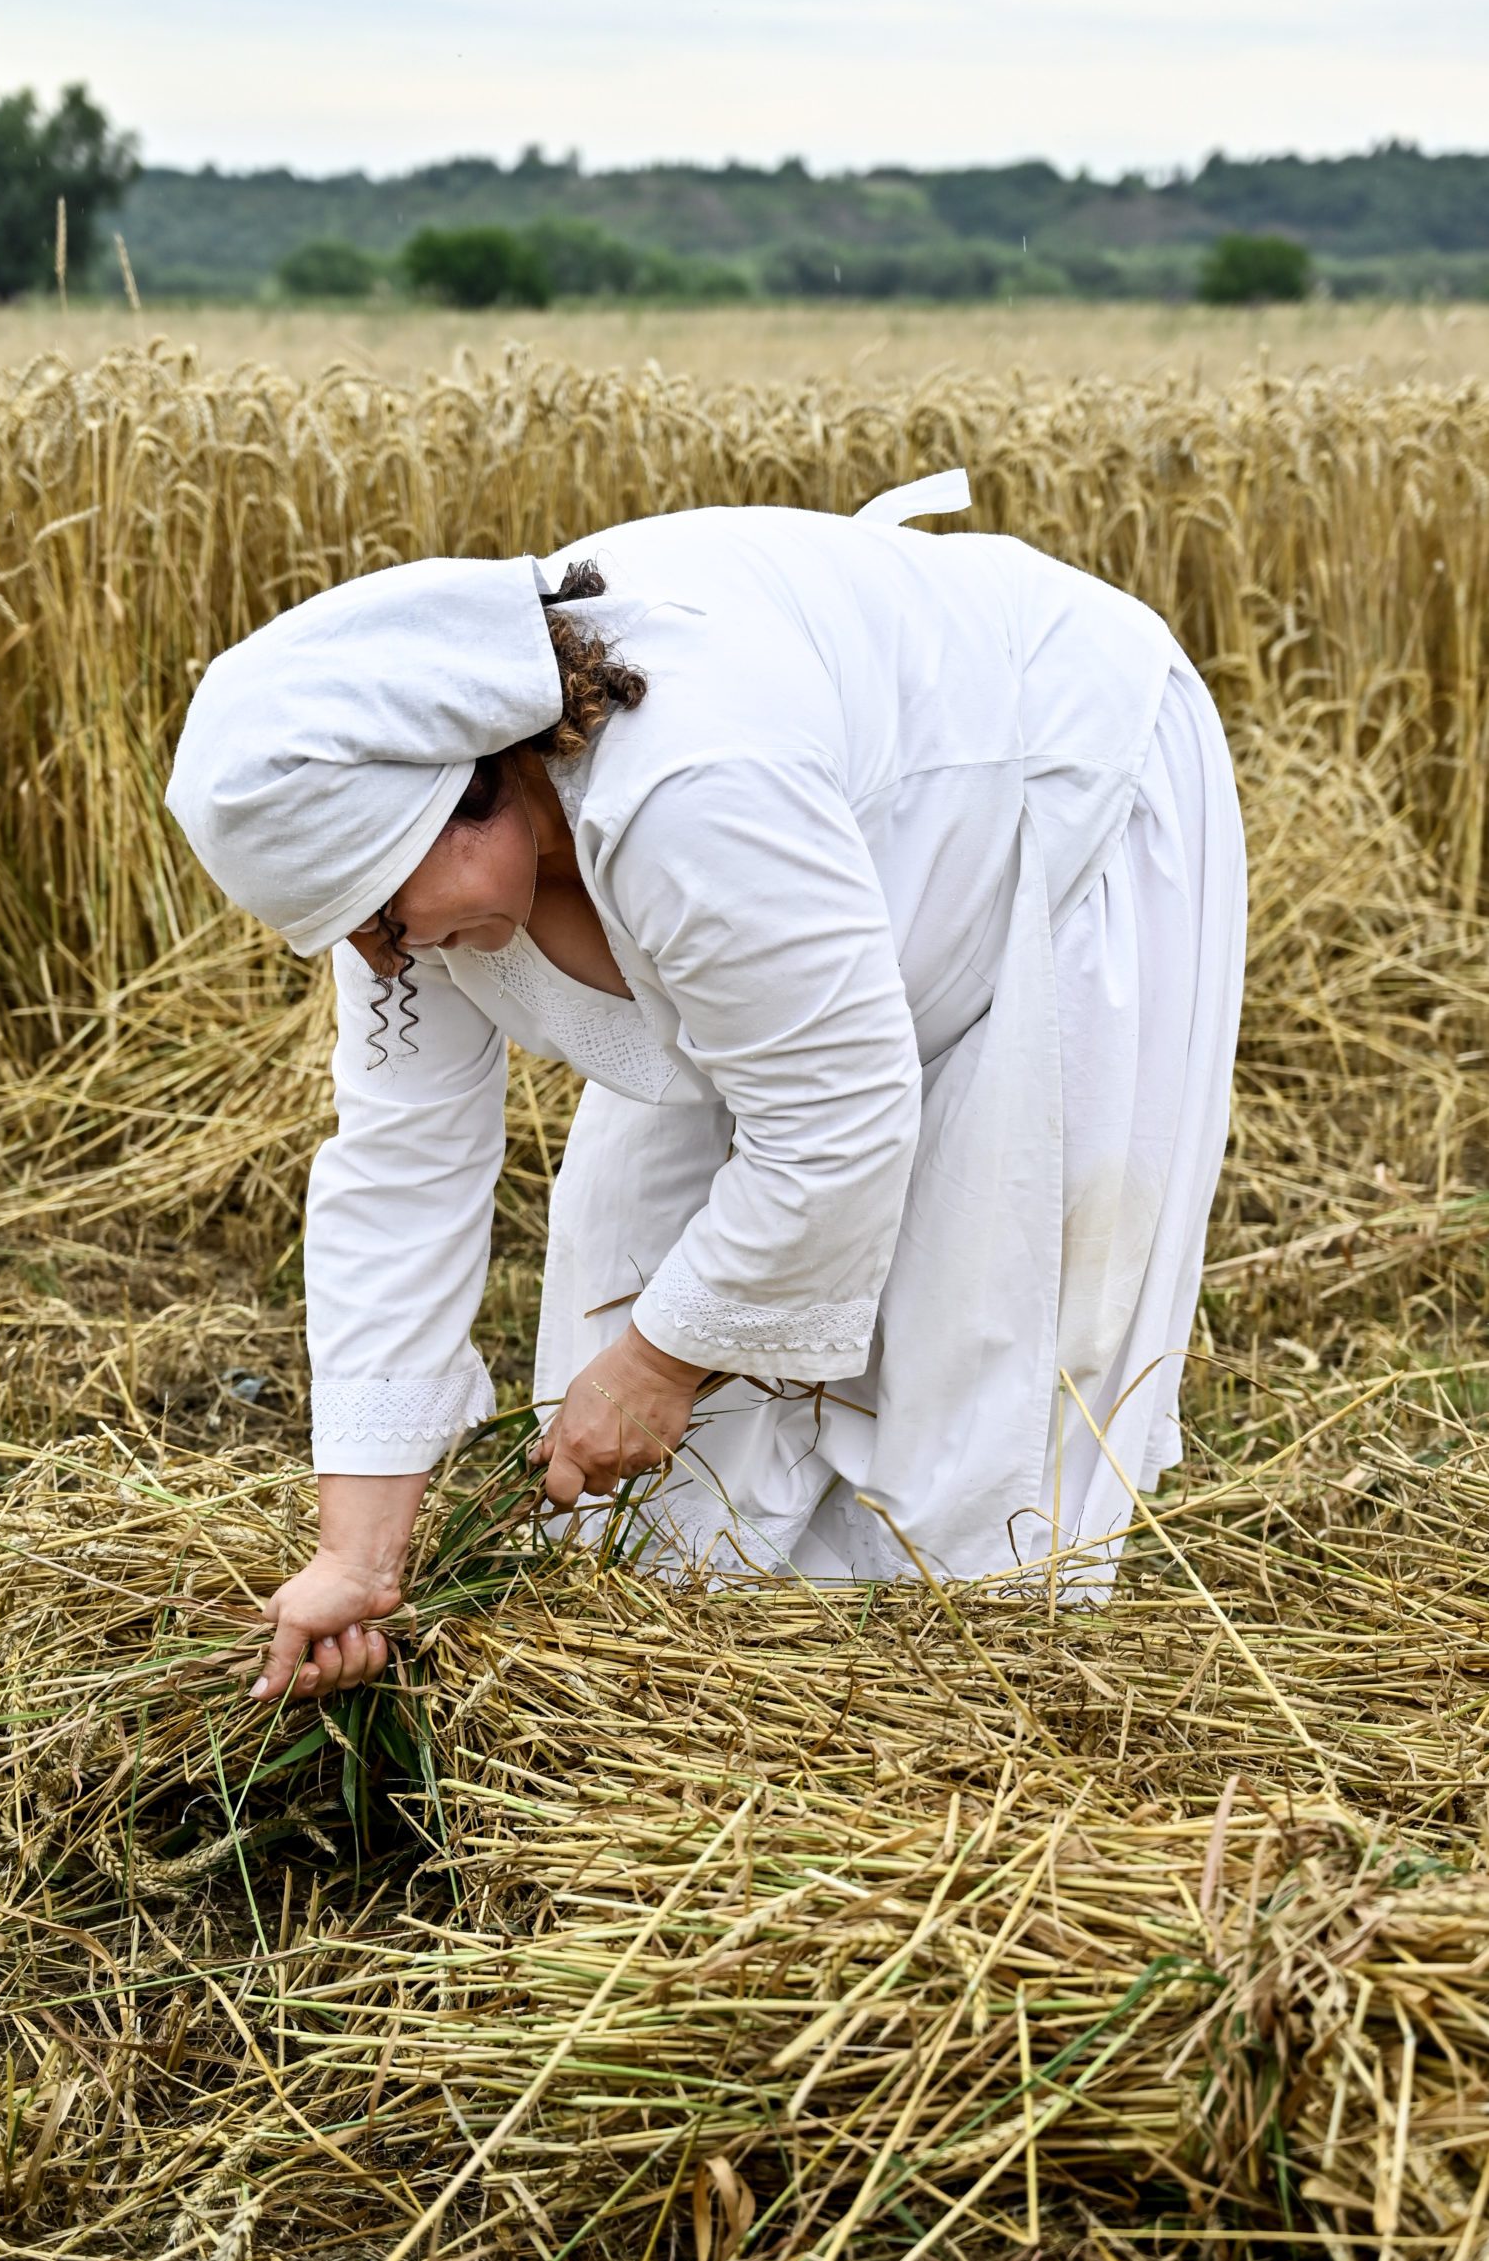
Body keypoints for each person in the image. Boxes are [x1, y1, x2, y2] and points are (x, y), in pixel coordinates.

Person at [165, 478, 1245, 1703]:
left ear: (470, 784)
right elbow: (398, 1174)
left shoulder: (690, 788)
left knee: (974, 1332)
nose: (378, 956)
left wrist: (660, 1366)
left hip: (1042, 795)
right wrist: (357, 1555)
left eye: (378, 910)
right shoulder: (401, 904)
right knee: (621, 1276)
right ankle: (707, 1674)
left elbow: (834, 1119)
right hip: (777, 915)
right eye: (347, 930)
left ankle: (950, 1703)